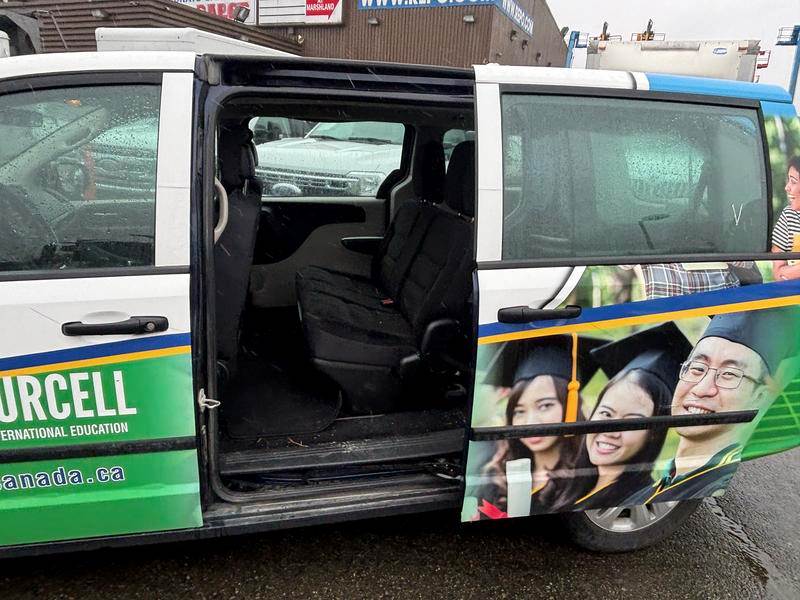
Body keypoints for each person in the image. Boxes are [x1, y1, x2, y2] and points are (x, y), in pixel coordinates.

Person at [639, 307, 800, 503]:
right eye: (697, 368)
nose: (701, 389)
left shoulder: (702, 482)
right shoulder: (660, 479)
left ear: (759, 396)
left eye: (729, 374)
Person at [555, 323, 691, 511]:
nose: (611, 431)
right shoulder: (568, 487)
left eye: (630, 422)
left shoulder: (637, 498)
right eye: (606, 413)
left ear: (654, 432)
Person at [472, 335, 604, 519]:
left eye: (545, 406)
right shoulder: (496, 471)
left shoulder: (591, 476)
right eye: (519, 411)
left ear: (571, 407)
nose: (530, 422)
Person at [771, 156, 800, 281]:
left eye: (793, 182)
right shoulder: (788, 216)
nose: (787, 187)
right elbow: (778, 273)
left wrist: (792, 271)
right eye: (788, 181)